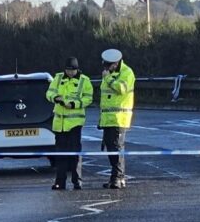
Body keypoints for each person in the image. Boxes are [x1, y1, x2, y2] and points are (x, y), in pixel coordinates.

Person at [46, 56, 94, 190]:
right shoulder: (58, 78)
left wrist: (73, 104)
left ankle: (77, 181)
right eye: (68, 70)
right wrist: (55, 98)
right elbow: (49, 93)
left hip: (74, 124)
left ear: (77, 69)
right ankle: (60, 182)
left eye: (72, 70)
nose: (70, 73)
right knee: (60, 156)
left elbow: (88, 98)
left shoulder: (84, 81)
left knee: (74, 154)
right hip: (59, 124)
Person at [98, 48, 136, 189]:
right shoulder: (110, 73)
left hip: (119, 118)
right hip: (108, 118)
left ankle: (119, 178)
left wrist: (107, 78)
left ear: (116, 63)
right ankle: (114, 177)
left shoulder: (127, 72)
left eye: (109, 65)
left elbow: (121, 89)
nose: (107, 68)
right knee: (110, 148)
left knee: (117, 147)